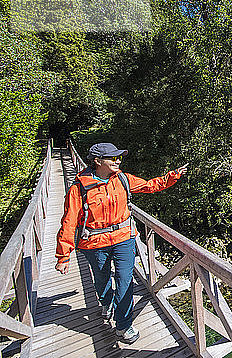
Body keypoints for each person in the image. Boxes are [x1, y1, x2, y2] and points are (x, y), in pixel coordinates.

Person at [55, 142, 188, 344]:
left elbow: (150, 185)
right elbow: (69, 221)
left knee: (125, 281)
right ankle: (106, 303)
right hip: (94, 243)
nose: (118, 161)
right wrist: (63, 256)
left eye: (119, 157)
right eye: (112, 158)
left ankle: (123, 326)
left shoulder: (123, 179)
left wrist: (172, 176)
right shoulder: (79, 188)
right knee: (101, 279)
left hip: (123, 239)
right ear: (98, 161)